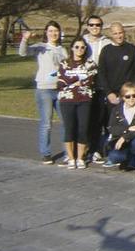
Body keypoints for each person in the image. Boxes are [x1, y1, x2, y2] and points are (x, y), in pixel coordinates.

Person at [19, 21, 68, 164]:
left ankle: (68, 151)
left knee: (66, 122)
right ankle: (45, 153)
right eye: (51, 31)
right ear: (46, 33)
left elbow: (65, 70)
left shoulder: (62, 50)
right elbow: (23, 52)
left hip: (59, 90)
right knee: (46, 123)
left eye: (56, 31)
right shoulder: (41, 47)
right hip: (44, 89)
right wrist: (25, 39)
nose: (54, 34)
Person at [95, 22, 135, 163]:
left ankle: (130, 149)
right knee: (112, 125)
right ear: (111, 35)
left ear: (124, 32)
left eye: (120, 32)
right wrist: (109, 93)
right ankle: (109, 150)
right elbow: (101, 73)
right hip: (111, 96)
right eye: (115, 33)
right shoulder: (106, 50)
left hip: (128, 95)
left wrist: (128, 94)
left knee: (129, 123)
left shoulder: (132, 49)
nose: (118, 35)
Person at [57, 37, 98, 169]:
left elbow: (89, 80)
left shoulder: (90, 64)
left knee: (83, 129)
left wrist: (73, 82)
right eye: (77, 47)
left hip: (84, 100)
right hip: (67, 100)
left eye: (82, 47)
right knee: (69, 129)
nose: (79, 49)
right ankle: (71, 158)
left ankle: (80, 158)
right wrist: (77, 81)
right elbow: (61, 83)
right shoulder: (64, 63)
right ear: (72, 48)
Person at [104, 82, 135, 172]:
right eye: (128, 96)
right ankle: (131, 161)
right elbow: (111, 128)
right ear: (122, 97)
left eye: (134, 95)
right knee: (114, 157)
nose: (131, 99)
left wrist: (125, 137)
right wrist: (128, 129)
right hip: (120, 143)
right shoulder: (116, 110)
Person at [82, 15, 110, 163]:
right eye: (92, 25)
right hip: (85, 85)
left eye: (98, 25)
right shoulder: (82, 41)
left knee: (99, 120)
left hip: (101, 84)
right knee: (86, 120)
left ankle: (97, 150)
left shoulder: (106, 42)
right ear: (87, 26)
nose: (95, 27)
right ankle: (85, 149)